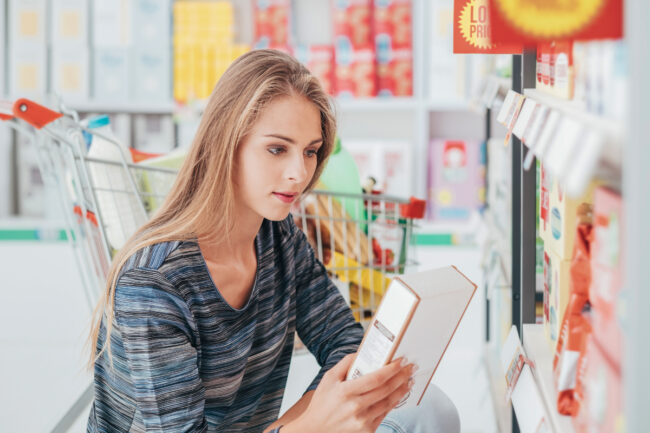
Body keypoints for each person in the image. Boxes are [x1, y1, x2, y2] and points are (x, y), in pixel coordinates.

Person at [86, 49, 460, 433]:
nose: (299, 173)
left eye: (310, 151)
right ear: (225, 144)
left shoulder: (277, 237)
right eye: (277, 149)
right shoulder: (154, 284)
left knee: (431, 408)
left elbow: (344, 342)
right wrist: (309, 427)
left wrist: (319, 419)